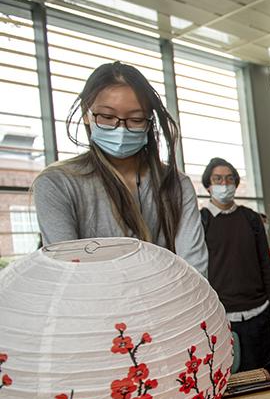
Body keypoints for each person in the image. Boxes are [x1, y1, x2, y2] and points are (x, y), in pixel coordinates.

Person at [33, 61, 207, 275]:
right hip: (95, 306)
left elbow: (195, 269)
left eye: (136, 119)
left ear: (149, 122)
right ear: (87, 114)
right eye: (107, 117)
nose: (121, 128)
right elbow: (68, 274)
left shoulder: (176, 184)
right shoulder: (58, 183)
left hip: (172, 304)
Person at [200, 157, 270, 373]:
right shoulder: (201, 220)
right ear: (208, 185)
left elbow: (264, 261)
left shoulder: (250, 218)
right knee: (229, 378)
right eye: (218, 179)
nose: (224, 184)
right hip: (222, 317)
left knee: (263, 375)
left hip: (257, 312)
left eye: (229, 178)